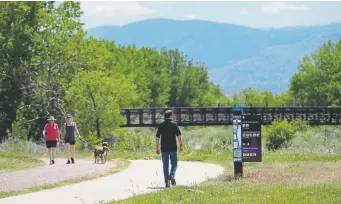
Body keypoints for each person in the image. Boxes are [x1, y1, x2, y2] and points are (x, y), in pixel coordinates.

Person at [155, 110, 183, 188]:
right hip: (173, 148)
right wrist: (181, 145)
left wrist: (157, 148)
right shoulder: (174, 125)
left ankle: (167, 181)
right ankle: (172, 175)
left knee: (165, 166)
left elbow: (157, 137)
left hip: (164, 148)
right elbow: (179, 137)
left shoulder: (161, 125)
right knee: (174, 164)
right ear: (170, 116)